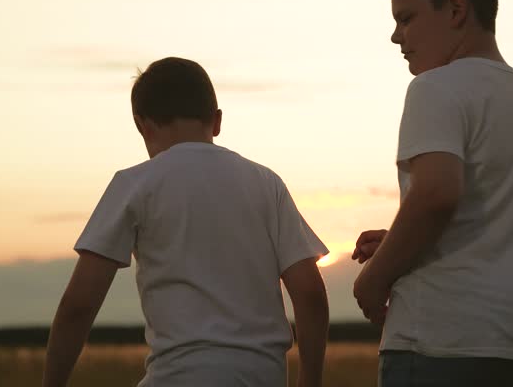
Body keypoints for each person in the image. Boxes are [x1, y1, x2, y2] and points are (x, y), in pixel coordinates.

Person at [351, 0, 513, 386]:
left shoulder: (436, 87)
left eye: (406, 18)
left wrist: (371, 282)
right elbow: (487, 216)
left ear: (455, 9)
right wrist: (400, 239)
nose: (396, 37)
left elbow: (435, 195)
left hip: (442, 344)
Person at [42, 57, 329, 387]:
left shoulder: (134, 185)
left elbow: (79, 305)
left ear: (142, 125)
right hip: (263, 374)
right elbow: (309, 293)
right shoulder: (267, 183)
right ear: (217, 121)